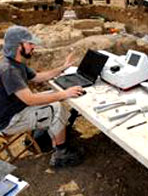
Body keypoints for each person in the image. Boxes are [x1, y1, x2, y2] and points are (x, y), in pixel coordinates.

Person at [0, 25, 85, 167]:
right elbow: (30, 99)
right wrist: (64, 93)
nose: (33, 47)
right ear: (17, 45)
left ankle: (47, 134)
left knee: (54, 95)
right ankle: (61, 154)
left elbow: (38, 77)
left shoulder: (16, 63)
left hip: (17, 109)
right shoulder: (9, 70)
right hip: (10, 120)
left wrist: (63, 68)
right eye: (29, 43)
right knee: (56, 107)